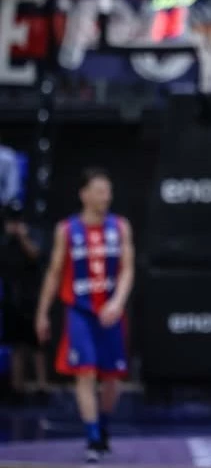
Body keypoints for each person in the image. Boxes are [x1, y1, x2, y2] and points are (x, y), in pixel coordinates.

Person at [34, 168, 134, 463]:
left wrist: (117, 302)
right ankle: (92, 437)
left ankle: (103, 426)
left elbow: (128, 269)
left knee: (113, 379)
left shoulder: (121, 226)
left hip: (111, 312)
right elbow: (54, 273)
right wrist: (42, 313)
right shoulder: (67, 229)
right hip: (80, 311)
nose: (107, 196)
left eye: (109, 191)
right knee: (85, 372)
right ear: (84, 194)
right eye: (101, 190)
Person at [0, 202, 47, 402]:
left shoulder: (32, 233)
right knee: (16, 345)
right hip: (12, 298)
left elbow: (35, 254)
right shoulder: (4, 240)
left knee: (37, 345)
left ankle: (42, 387)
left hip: (32, 298)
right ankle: (16, 387)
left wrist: (22, 235)